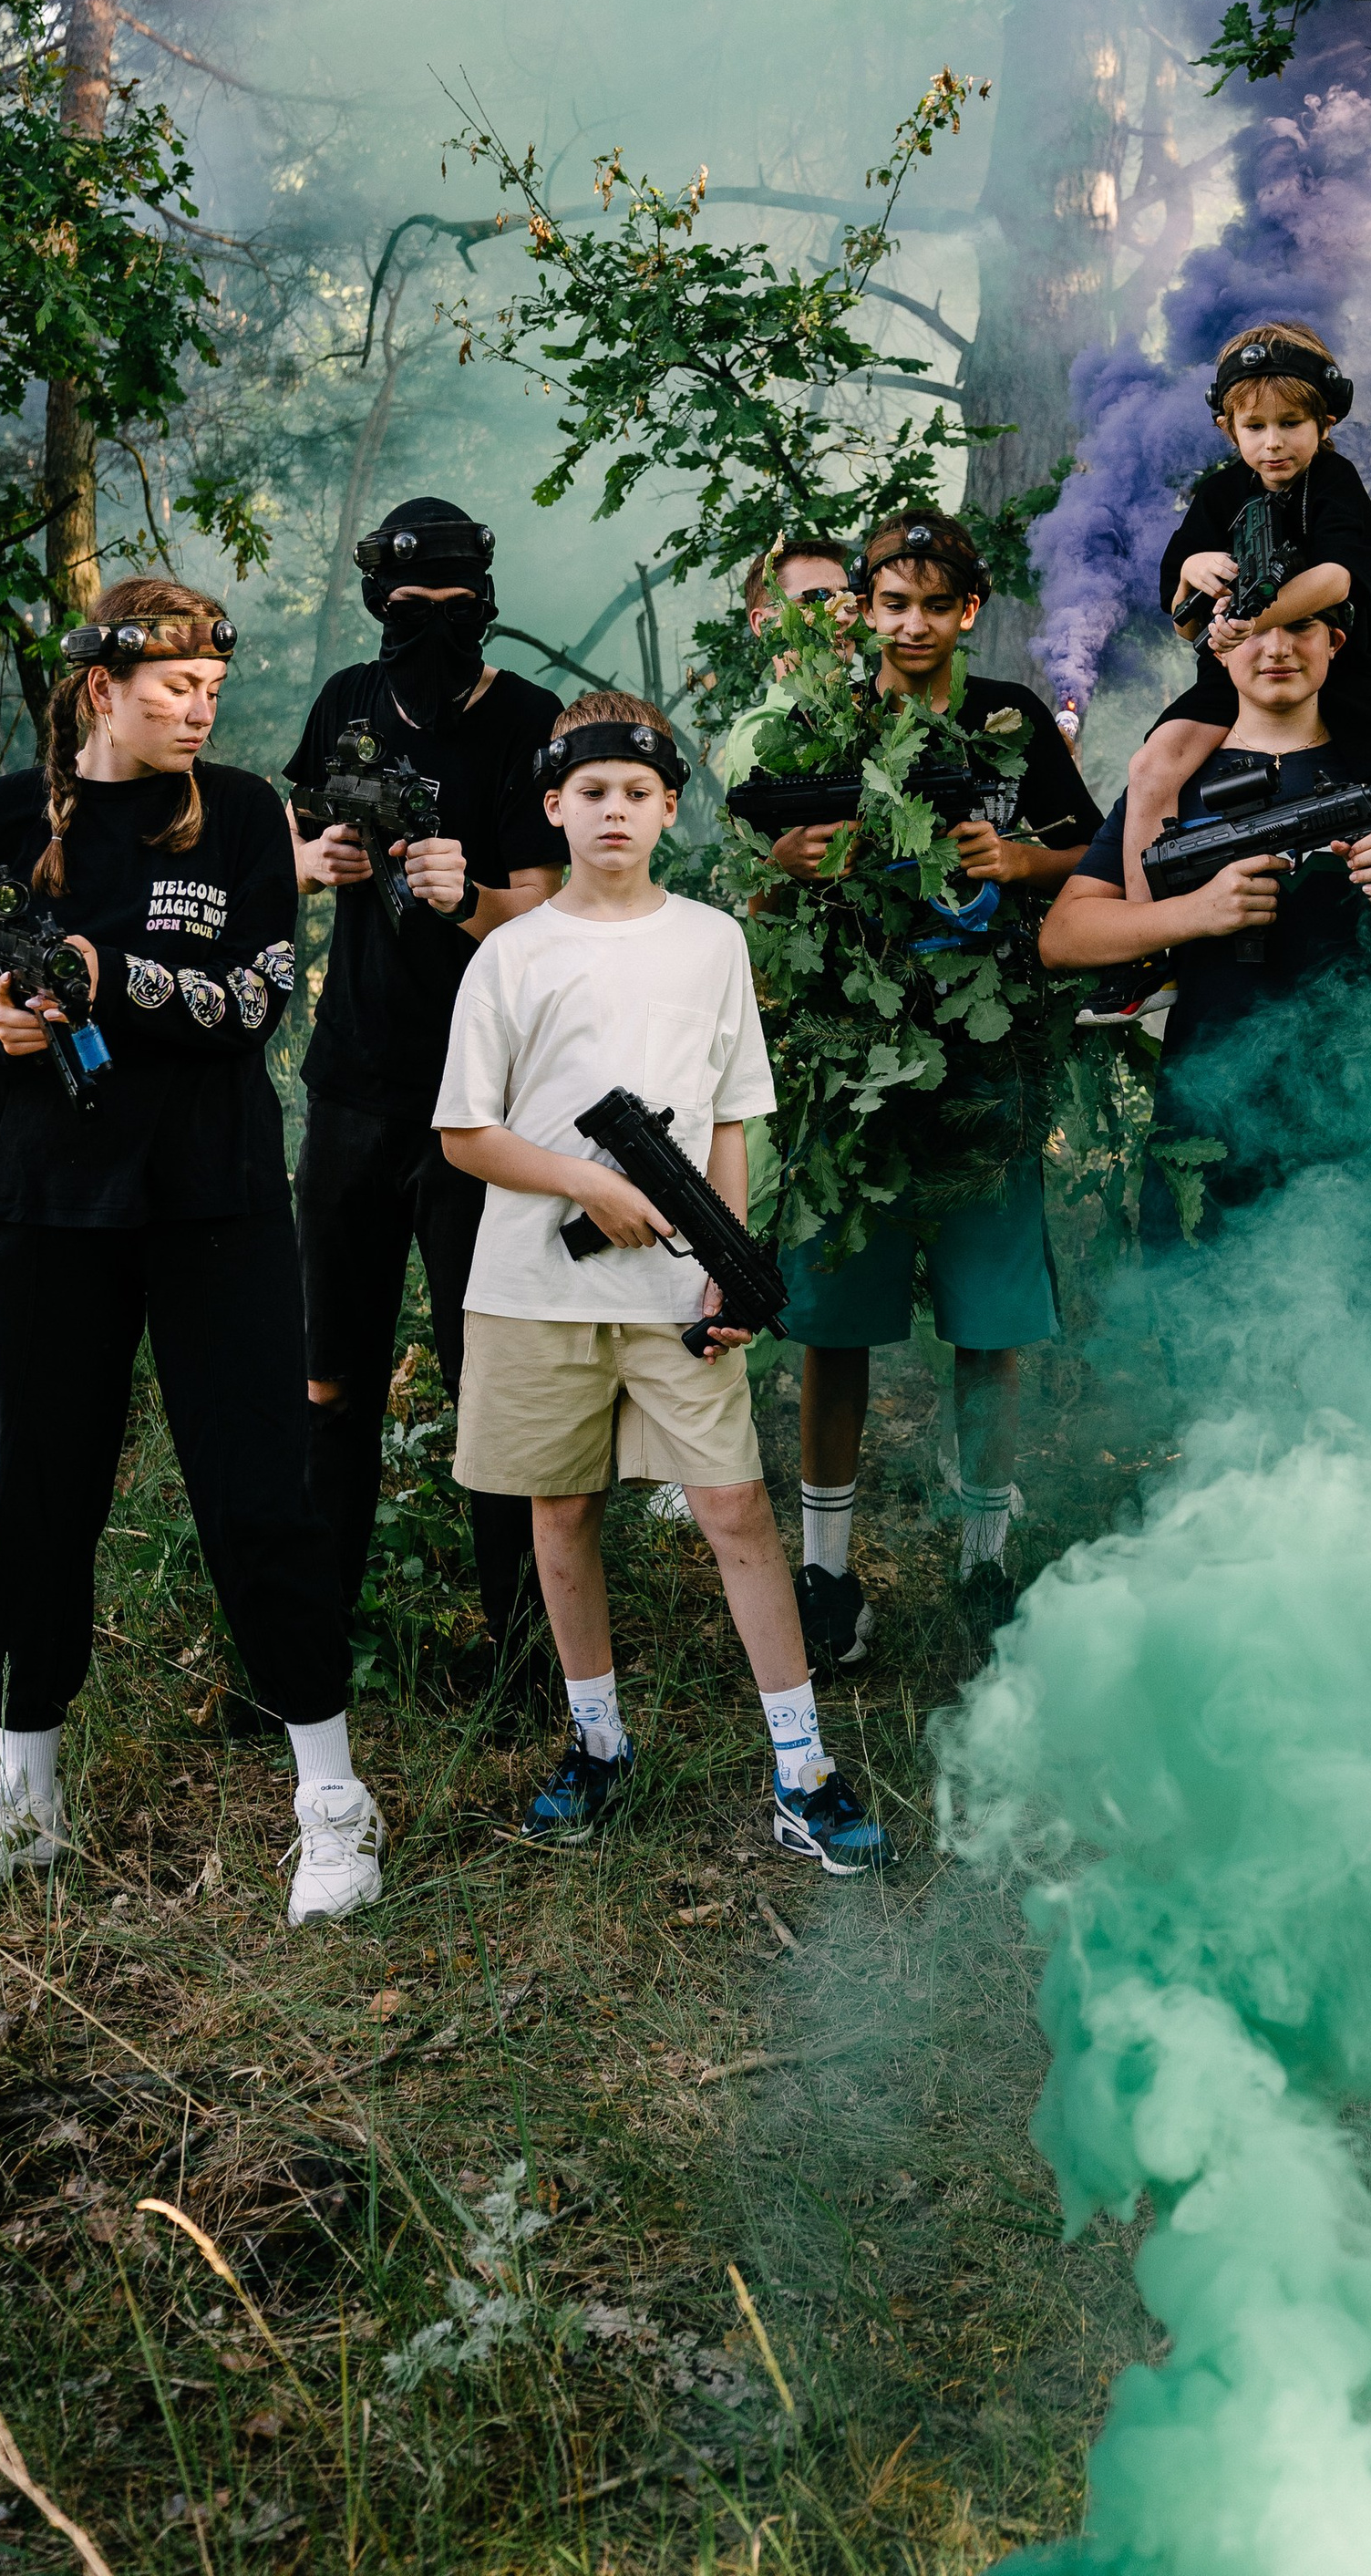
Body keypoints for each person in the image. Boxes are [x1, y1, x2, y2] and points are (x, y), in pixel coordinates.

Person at [0, 578, 383, 1928]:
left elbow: (261, 994)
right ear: (103, 689)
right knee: (33, 1496)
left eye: (213, 688)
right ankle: (24, 1795)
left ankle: (331, 1801)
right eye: (174, 691)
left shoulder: (252, 814)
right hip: (47, 1208)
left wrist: (118, 980)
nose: (202, 711)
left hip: (214, 1205)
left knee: (259, 1487)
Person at [435, 689, 891, 1873]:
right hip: (533, 1288)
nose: (616, 812)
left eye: (639, 794)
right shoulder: (514, 952)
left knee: (737, 1506)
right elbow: (465, 1135)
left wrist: (727, 1272)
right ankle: (597, 1743)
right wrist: (588, 1189)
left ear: (672, 809)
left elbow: (734, 1121)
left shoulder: (712, 944)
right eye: (592, 794)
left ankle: (804, 1767)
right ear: (553, 807)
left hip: (671, 1299)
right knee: (562, 1509)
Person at [768, 507, 1102, 1660]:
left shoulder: (1008, 719)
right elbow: (762, 868)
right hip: (851, 1060)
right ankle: (823, 1580)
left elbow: (1092, 852)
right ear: (861, 608)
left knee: (988, 1320)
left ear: (971, 609)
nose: (911, 625)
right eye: (889, 602)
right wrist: (788, 859)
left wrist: (1021, 859)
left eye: (934, 604)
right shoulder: (827, 719)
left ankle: (986, 1562)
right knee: (835, 1324)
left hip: (983, 1061)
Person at [284, 497, 567, 1710]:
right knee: (327, 1380)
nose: (428, 629)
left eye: (451, 607)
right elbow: (296, 834)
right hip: (352, 1085)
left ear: (485, 600)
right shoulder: (350, 698)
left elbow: (553, 911)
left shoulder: (528, 723)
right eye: (407, 608)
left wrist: (465, 896)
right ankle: (310, 1636)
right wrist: (323, 860)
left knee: (484, 1375)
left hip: (485, 1096)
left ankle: (516, 1652)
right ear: (376, 607)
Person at [1042, 605, 1371, 1283]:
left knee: (1358, 1354)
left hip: (1357, 1109)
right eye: (1255, 629)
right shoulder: (1173, 779)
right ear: (1220, 649)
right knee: (1196, 1342)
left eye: (1302, 628)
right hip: (1205, 1113)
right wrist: (1195, 913)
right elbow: (1064, 935)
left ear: (1334, 643)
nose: (1277, 648)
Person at [1082, 322, 1371, 1030]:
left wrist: (1259, 612)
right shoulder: (1219, 497)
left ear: (1324, 421)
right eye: (1255, 427)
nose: (1273, 442)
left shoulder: (1335, 484)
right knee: (1154, 762)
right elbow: (1183, 616)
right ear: (1229, 429)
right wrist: (1192, 574)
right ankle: (1149, 951)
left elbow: (1342, 576)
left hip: (1347, 663)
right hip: (1235, 668)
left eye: (1291, 423)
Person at [711, 532, 855, 789]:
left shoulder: (876, 708)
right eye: (818, 597)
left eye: (847, 600)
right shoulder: (760, 734)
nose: (843, 616)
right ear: (764, 623)